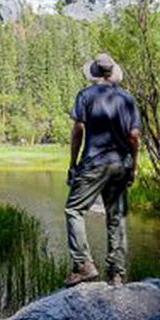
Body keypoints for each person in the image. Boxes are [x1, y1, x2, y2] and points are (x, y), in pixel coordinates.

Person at [63, 52, 140, 287]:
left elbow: (78, 131)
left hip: (94, 163)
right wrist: (133, 166)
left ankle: (84, 265)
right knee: (116, 217)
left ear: (95, 73)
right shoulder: (127, 99)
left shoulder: (85, 96)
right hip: (120, 164)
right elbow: (134, 136)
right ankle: (116, 274)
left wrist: (73, 164)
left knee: (73, 209)